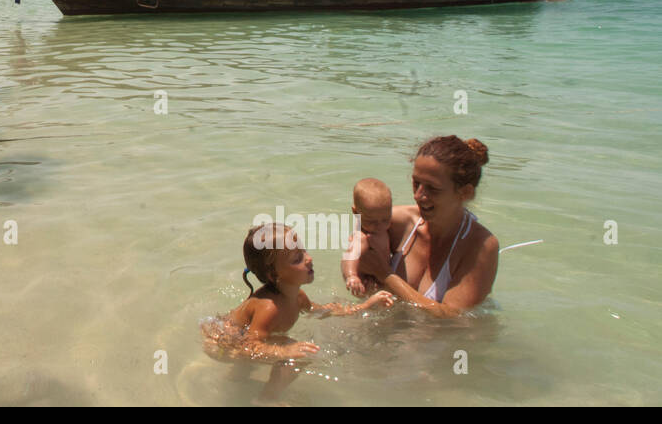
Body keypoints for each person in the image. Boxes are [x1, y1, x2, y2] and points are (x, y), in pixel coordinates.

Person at [201, 222, 393, 400]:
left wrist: (365, 305)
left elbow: (322, 311)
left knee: (285, 346)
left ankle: (236, 380)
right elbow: (249, 346)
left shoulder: (298, 296)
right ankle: (265, 400)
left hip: (235, 337)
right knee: (296, 352)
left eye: (304, 251)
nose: (308, 259)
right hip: (220, 344)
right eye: (297, 258)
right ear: (274, 274)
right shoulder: (269, 308)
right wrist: (284, 351)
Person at [355, 136, 500, 316]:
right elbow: (356, 257)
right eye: (416, 183)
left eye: (432, 188)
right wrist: (360, 275)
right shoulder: (395, 221)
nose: (418, 195)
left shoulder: (480, 247)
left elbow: (451, 317)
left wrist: (384, 275)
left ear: (465, 192)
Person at [341, 178, 394, 296]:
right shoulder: (362, 237)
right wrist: (352, 276)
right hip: (365, 282)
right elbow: (350, 255)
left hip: (379, 274)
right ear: (355, 212)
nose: (379, 226)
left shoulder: (381, 223)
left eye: (385, 219)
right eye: (372, 221)